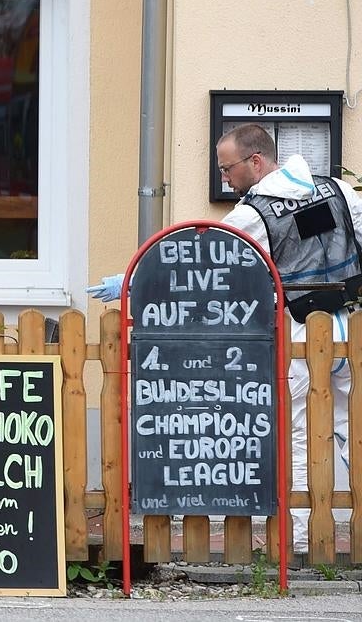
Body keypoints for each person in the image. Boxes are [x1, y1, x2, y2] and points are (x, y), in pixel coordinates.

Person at [88, 123, 356, 553]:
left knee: (297, 434)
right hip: (350, 327)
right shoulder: (338, 191)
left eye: (227, 168)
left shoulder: (256, 212)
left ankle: (301, 541)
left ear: (255, 161)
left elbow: (203, 260)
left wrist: (130, 280)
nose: (224, 178)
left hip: (299, 332)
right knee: (353, 428)